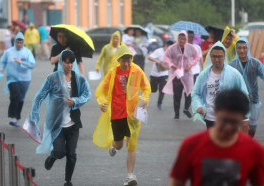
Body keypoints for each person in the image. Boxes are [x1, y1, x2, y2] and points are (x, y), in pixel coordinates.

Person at [169, 89, 264, 186]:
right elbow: (176, 182)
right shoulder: (191, 145)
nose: (228, 127)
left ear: (243, 117)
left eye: (234, 122)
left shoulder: (253, 150)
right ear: (215, 111)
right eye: (224, 120)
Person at [30, 50, 91, 186]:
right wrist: (34, 115)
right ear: (61, 62)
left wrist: (75, 101)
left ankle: (67, 181)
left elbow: (87, 94)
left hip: (73, 123)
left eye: (71, 62)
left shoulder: (79, 78)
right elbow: (39, 96)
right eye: (67, 62)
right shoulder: (52, 78)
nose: (69, 65)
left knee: (71, 154)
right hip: (57, 123)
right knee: (60, 152)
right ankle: (53, 156)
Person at [93, 44, 151, 186]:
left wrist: (144, 99)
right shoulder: (113, 73)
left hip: (133, 115)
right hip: (117, 114)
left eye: (129, 60)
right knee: (119, 146)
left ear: (132, 59)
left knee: (131, 144)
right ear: (118, 60)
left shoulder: (137, 71)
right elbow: (100, 91)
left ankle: (129, 175)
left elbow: (146, 87)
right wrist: (101, 103)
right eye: (123, 61)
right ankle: (114, 145)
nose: (126, 64)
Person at [192, 41, 249, 131]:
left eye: (219, 56)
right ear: (210, 56)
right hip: (210, 117)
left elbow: (243, 93)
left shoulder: (234, 74)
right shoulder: (203, 75)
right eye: (214, 56)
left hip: (229, 117)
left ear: (224, 57)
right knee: (213, 143)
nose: (216, 59)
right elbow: (196, 93)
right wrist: (198, 106)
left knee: (228, 144)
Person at [229, 37, 264, 137]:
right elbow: (227, 83)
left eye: (244, 47)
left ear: (248, 48)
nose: (242, 50)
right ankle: (241, 148)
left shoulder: (256, 63)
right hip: (238, 101)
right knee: (243, 126)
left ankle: (248, 147)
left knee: (252, 129)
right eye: (239, 48)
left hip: (254, 101)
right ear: (236, 49)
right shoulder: (232, 65)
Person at [0, 32, 35, 127]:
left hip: (25, 79)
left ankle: (17, 118)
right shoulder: (8, 51)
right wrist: (0, 69)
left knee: (21, 98)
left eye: (21, 43)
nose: (19, 44)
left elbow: (32, 64)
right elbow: (3, 61)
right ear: (15, 42)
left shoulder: (27, 52)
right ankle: (13, 117)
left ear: (23, 43)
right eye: (17, 42)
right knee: (14, 95)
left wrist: (21, 62)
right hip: (12, 78)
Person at [162, 30, 200, 120]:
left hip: (187, 74)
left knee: (189, 93)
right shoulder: (172, 48)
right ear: (177, 38)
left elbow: (197, 57)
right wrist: (172, 65)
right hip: (177, 75)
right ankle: (177, 113)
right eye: (180, 38)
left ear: (186, 39)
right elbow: (165, 58)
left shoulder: (191, 48)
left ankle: (186, 109)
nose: (182, 41)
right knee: (177, 94)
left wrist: (191, 64)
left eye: (184, 39)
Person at [148, 40, 173, 109]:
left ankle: (159, 103)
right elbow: (149, 57)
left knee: (162, 90)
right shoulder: (158, 51)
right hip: (155, 74)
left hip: (164, 74)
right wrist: (157, 61)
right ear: (165, 45)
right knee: (153, 90)